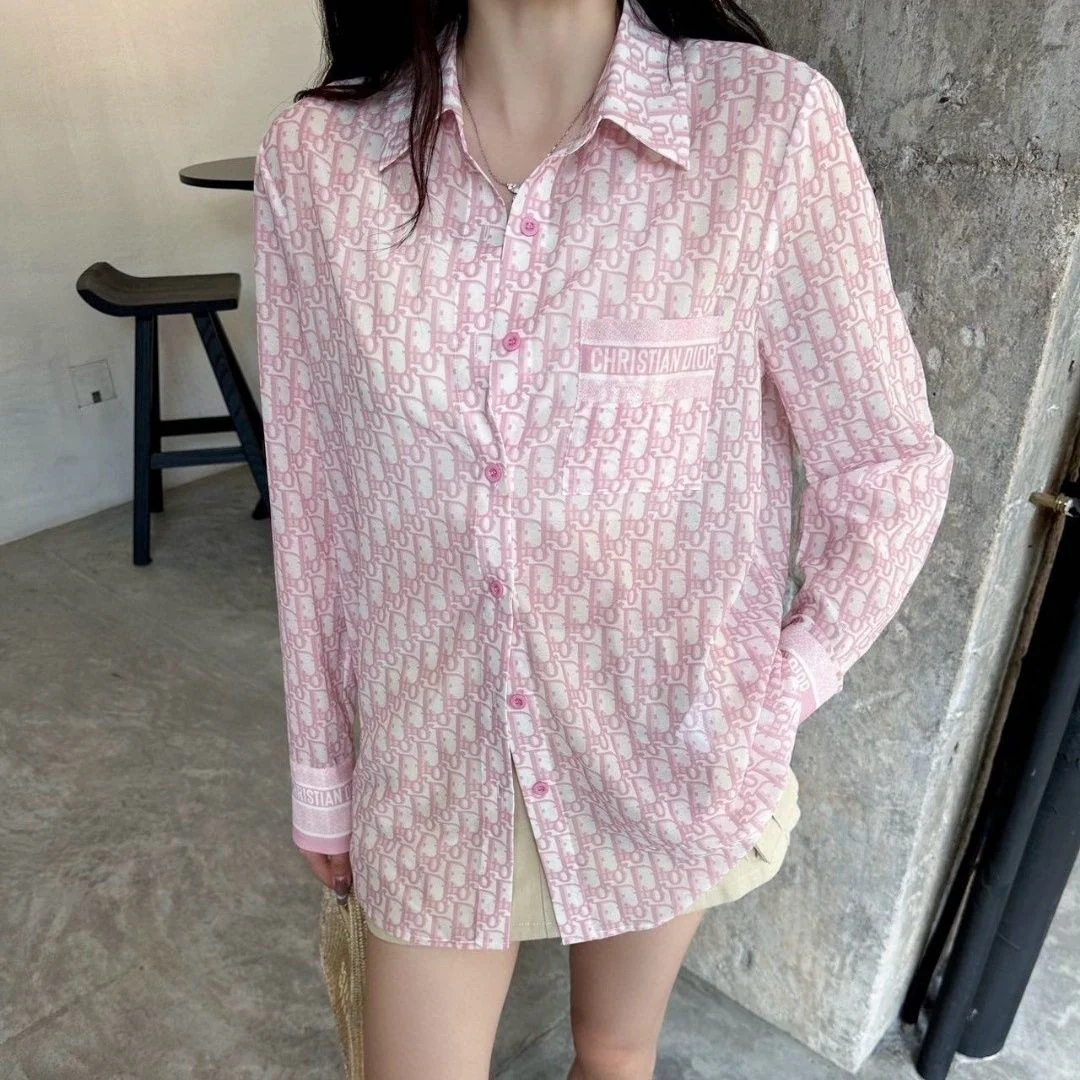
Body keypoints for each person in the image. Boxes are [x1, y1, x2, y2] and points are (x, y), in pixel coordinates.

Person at [252, 0, 955, 1075]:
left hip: (664, 740)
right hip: (430, 752)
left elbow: (887, 464)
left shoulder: (763, 129)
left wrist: (778, 686)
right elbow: (315, 504)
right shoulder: (320, 159)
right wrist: (323, 766)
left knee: (615, 1054)